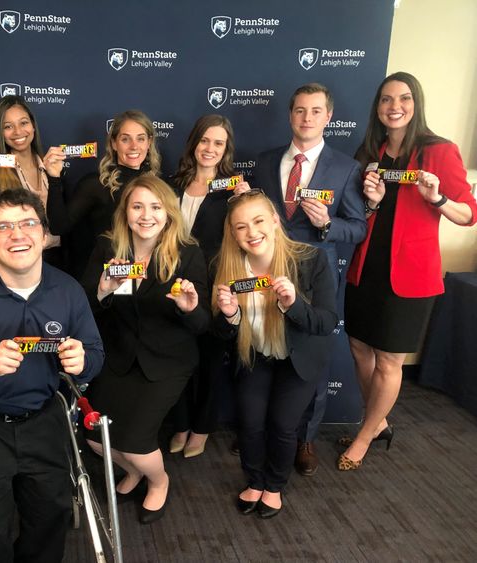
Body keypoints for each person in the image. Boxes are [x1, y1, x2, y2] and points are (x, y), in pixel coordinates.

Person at [0, 189, 104, 562]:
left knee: (48, 522)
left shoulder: (68, 290)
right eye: (3, 227)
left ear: (43, 235)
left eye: (28, 223)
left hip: (43, 422)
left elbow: (95, 355)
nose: (17, 234)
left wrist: (82, 361)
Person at [340, 72, 477, 470]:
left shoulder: (438, 151)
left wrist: (437, 198)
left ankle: (365, 437)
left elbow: (468, 214)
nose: (394, 106)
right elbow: (357, 214)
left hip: (411, 276)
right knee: (359, 349)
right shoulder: (368, 152)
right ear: (377, 107)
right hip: (367, 268)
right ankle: (377, 421)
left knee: (389, 362)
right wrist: (371, 203)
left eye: (403, 99)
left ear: (415, 104)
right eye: (386, 99)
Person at [250, 83, 366, 475]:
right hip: (267, 271)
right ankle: (263, 430)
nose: (307, 118)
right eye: (300, 110)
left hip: (316, 272)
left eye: (316, 111)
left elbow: (358, 229)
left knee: (311, 359)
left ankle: (305, 439)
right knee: (265, 346)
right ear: (290, 116)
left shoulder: (345, 167)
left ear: (328, 117)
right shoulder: (266, 162)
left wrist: (328, 224)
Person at [82, 175, 210, 524]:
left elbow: (203, 324)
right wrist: (103, 290)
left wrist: (189, 309)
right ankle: (134, 472)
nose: (145, 215)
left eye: (155, 207)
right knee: (95, 436)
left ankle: (158, 481)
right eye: (137, 206)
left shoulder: (188, 253)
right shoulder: (108, 248)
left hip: (167, 362)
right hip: (120, 358)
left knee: (136, 441)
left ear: (168, 213)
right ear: (125, 212)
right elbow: (85, 308)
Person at [212, 189, 338, 518]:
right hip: (257, 356)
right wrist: (229, 316)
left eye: (257, 221)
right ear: (232, 233)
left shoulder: (311, 260)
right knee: (251, 422)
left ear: (274, 221)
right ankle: (255, 480)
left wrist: (294, 305)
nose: (251, 232)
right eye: (241, 227)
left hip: (298, 359)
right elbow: (223, 336)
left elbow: (327, 322)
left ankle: (274, 485)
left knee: (283, 425)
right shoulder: (227, 267)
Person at [167, 114, 248, 458]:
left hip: (216, 284)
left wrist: (243, 202)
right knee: (179, 358)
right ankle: (182, 424)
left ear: (226, 149)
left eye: (218, 143)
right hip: (176, 283)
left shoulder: (233, 189)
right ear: (193, 142)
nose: (210, 149)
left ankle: (201, 429)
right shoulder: (172, 183)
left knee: (211, 361)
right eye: (204, 141)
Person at [47, 109, 163, 278]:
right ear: (114, 143)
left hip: (146, 280)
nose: (134, 146)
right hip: (104, 278)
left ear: (149, 142)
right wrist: (54, 178)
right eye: (125, 139)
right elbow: (59, 226)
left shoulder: (160, 186)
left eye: (141, 138)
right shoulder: (96, 184)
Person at [0, 95, 66, 268]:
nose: (18, 132)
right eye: (8, 126)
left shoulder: (52, 167)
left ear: (33, 125)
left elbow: (60, 226)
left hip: (55, 262)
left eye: (23, 123)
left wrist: (54, 178)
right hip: (16, 262)